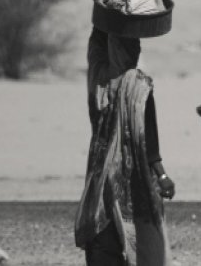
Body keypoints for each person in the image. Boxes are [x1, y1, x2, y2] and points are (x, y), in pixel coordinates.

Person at [74, 25, 176, 266]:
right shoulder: (138, 85)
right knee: (135, 238)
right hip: (130, 179)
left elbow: (95, 48)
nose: (136, 48)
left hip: (99, 179)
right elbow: (148, 137)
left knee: (102, 235)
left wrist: (103, 21)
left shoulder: (99, 81)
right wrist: (162, 175)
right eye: (132, 44)